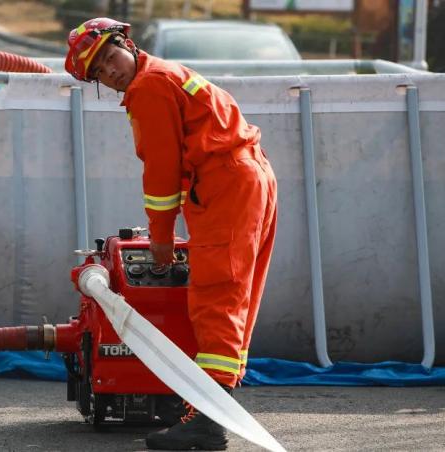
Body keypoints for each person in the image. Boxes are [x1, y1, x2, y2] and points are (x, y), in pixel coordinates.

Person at [65, 17, 278, 451]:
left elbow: (160, 171)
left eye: (110, 57)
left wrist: (160, 239)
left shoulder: (148, 87)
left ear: (127, 44)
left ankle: (208, 422)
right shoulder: (165, 73)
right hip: (242, 178)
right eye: (101, 71)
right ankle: (208, 408)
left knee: (216, 297)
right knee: (234, 296)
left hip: (226, 184)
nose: (111, 72)